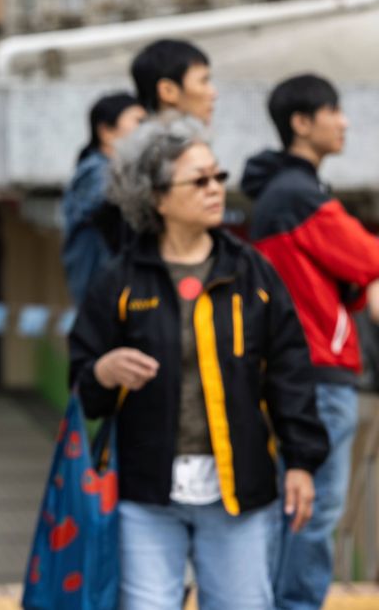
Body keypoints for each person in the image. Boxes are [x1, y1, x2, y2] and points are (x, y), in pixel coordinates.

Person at [68, 113, 328, 609]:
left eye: (218, 177)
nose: (216, 189)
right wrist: (102, 371)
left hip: (240, 492)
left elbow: (290, 373)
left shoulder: (253, 273)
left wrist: (301, 462)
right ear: (157, 197)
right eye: (199, 180)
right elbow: (85, 382)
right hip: (144, 492)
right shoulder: (119, 280)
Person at [240, 74, 376, 609]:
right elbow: (369, 258)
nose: (344, 121)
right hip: (318, 374)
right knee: (312, 512)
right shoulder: (300, 195)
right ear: (302, 122)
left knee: (293, 507)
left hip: (296, 370)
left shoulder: (285, 192)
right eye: (333, 110)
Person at [62, 92, 145, 301]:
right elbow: (110, 196)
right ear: (106, 132)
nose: (147, 131)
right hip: (101, 296)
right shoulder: (96, 171)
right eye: (139, 122)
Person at [130, 39, 217, 125]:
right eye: (203, 81)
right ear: (168, 90)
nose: (214, 93)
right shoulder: (178, 137)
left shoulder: (138, 136)